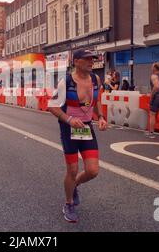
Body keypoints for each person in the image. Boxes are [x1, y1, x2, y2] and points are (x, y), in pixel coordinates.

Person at [48, 49, 107, 223]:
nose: (92, 62)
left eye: (93, 59)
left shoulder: (96, 79)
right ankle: (68, 203)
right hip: (69, 128)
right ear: (77, 61)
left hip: (87, 127)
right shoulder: (65, 82)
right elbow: (52, 106)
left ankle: (74, 186)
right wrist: (69, 119)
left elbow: (97, 101)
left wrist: (101, 117)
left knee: (92, 171)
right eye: (87, 59)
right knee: (72, 170)